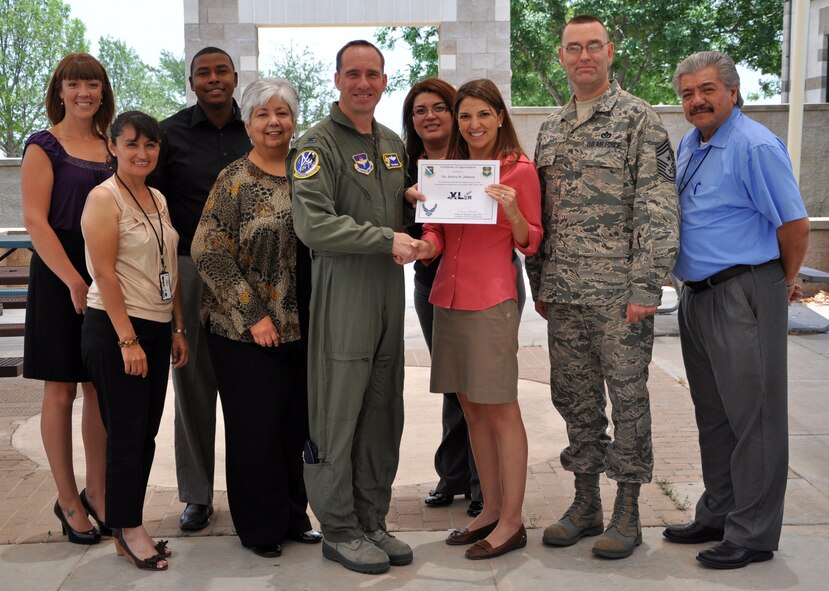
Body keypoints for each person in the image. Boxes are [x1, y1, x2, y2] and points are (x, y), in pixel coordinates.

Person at [525, 14, 679, 560]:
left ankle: (629, 512)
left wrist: (646, 286)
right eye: (574, 48)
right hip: (564, 294)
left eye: (594, 46)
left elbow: (658, 208)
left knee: (629, 401)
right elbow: (539, 213)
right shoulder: (551, 127)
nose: (584, 56)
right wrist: (539, 282)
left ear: (610, 52)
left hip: (620, 298)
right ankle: (585, 502)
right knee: (575, 400)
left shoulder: (641, 120)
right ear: (561, 57)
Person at [662, 51, 810, 570]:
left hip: (743, 290)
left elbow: (794, 226)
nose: (696, 100)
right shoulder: (692, 143)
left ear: (732, 91)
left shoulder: (754, 145)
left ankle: (752, 533)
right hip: (697, 295)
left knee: (756, 418)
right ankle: (720, 511)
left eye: (706, 90)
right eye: (686, 93)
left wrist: (779, 284)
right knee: (716, 415)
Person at [288, 40, 414, 575]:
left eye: (374, 74)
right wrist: (389, 237)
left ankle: (371, 519)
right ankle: (338, 528)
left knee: (383, 408)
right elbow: (312, 224)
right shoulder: (316, 145)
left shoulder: (392, 144)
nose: (364, 83)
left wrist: (420, 232)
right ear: (337, 79)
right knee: (339, 408)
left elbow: (400, 216)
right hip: (343, 288)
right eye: (353, 74)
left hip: (388, 288)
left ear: (385, 80)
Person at [410, 78, 542, 561]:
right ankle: (487, 510)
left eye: (483, 114)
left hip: (491, 300)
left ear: (500, 116)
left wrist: (512, 211)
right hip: (446, 296)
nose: (474, 124)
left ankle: (512, 520)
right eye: (465, 116)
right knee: (471, 408)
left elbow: (532, 241)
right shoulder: (446, 169)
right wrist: (424, 243)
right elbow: (437, 232)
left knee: (501, 408)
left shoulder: (519, 170)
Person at [191, 78, 321, 558]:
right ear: (248, 124)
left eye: (283, 113)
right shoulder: (234, 180)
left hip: (303, 328)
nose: (274, 122)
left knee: (295, 428)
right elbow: (207, 252)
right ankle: (259, 527)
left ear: (294, 121)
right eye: (263, 114)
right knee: (255, 430)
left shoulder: (309, 174)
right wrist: (253, 315)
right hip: (245, 333)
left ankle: (293, 515)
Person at [80, 111, 188, 571]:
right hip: (117, 328)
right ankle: (127, 530)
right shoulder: (104, 199)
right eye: (132, 145)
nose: (142, 153)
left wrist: (177, 326)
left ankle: (130, 522)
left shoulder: (157, 197)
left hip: (157, 326)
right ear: (113, 147)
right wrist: (128, 340)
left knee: (144, 435)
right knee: (125, 435)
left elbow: (170, 265)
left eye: (150, 145)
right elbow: (103, 272)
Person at [152, 46, 250, 531]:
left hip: (251, 273)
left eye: (221, 71)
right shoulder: (168, 135)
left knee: (252, 384)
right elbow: (152, 208)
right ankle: (196, 495)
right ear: (192, 82)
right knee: (191, 383)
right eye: (203, 73)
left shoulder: (257, 127)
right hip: (190, 267)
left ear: (235, 77)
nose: (213, 79)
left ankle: (256, 490)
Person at [21, 52, 115, 545]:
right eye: (75, 84)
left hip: (108, 276)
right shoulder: (44, 145)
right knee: (61, 390)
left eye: (93, 85)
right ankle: (68, 499)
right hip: (61, 274)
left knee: (99, 387)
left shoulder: (112, 147)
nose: (84, 92)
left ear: (103, 92)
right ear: (59, 90)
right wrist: (74, 281)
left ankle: (97, 492)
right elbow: (36, 222)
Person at [402, 78, 483, 517]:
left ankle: (481, 482)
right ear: (411, 120)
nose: (429, 116)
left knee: (479, 384)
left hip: (482, 283)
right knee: (451, 382)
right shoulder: (402, 164)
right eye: (419, 110)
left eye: (439, 107)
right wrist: (406, 199)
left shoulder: (474, 157)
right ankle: (453, 475)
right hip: (430, 281)